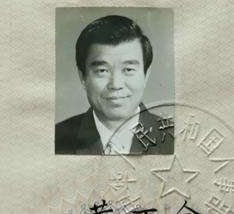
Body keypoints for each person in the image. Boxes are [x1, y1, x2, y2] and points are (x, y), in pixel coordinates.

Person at [55, 15, 173, 155]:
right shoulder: (55, 139)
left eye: (128, 69)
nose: (116, 85)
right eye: (102, 71)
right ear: (82, 77)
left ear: (145, 75)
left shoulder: (176, 140)